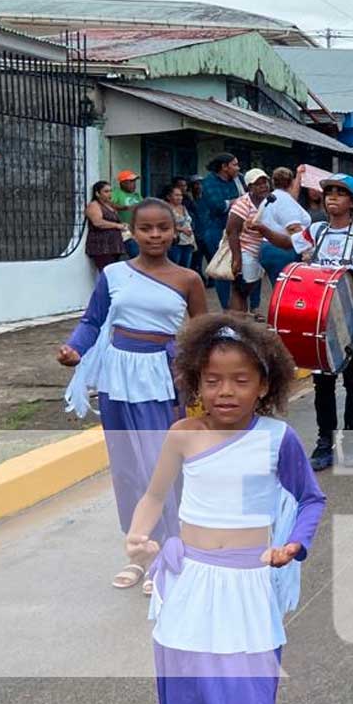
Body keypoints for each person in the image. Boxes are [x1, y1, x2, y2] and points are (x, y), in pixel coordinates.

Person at [127, 313, 324, 704]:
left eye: (239, 379)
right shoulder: (182, 434)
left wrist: (294, 544)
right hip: (186, 587)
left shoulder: (276, 439)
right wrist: (138, 534)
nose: (225, 391)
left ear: (265, 383)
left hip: (246, 590)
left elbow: (311, 500)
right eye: (211, 380)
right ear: (193, 381)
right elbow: (154, 496)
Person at [59, 198, 207, 590]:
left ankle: (170, 552)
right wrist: (74, 349)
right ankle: (140, 554)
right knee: (127, 471)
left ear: (175, 231)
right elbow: (92, 321)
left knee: (157, 470)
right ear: (133, 231)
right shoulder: (113, 274)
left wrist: (203, 380)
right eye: (146, 228)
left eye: (163, 228)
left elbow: (203, 335)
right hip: (117, 379)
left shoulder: (188, 279)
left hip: (161, 379)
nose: (155, 235)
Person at [290, 174, 353, 472]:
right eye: (329, 191)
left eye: (340, 192)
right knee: (323, 384)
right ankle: (324, 441)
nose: (332, 197)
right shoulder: (316, 230)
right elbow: (288, 244)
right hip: (321, 321)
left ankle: (352, 442)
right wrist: (263, 228)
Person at [226, 169, 294, 315]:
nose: (263, 186)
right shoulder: (243, 204)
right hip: (247, 249)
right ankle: (235, 322)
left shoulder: (272, 200)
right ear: (249, 187)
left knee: (251, 286)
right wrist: (237, 258)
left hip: (265, 249)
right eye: (258, 184)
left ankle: (242, 318)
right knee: (241, 289)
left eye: (265, 182)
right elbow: (232, 231)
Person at [200, 154, 243, 309]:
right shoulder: (209, 182)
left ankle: (243, 306)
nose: (238, 168)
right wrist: (237, 201)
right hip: (216, 230)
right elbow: (217, 206)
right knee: (222, 270)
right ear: (224, 167)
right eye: (235, 165)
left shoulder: (238, 180)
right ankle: (227, 308)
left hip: (237, 230)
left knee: (240, 268)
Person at [258, 167, 312, 290]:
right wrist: (307, 251)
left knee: (279, 289)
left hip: (269, 248)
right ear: (291, 182)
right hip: (283, 251)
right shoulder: (285, 201)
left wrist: (298, 175)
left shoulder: (272, 198)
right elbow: (293, 227)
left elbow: (293, 196)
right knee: (288, 291)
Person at [84, 179, 128, 273]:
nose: (109, 194)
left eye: (110, 191)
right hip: (101, 246)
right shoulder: (94, 205)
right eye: (106, 191)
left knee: (114, 272)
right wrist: (117, 225)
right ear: (97, 193)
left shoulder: (110, 205)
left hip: (114, 246)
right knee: (107, 273)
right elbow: (98, 222)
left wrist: (122, 225)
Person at [162, 182, 197, 271]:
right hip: (175, 242)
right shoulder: (165, 209)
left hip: (188, 242)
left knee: (185, 269)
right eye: (176, 195)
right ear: (169, 197)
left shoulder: (184, 207)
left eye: (180, 195)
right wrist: (181, 229)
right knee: (174, 268)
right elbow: (163, 224)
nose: (179, 197)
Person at [112, 170, 144, 258]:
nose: (134, 184)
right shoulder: (116, 193)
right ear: (122, 183)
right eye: (131, 182)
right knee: (135, 255)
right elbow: (108, 204)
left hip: (138, 230)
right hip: (124, 230)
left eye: (134, 181)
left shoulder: (136, 195)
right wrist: (124, 208)